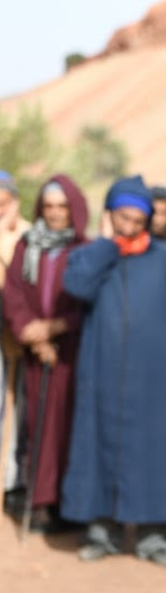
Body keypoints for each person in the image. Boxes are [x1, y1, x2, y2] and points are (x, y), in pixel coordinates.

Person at [60, 175, 166, 568]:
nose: (131, 227)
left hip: (158, 379)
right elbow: (78, 287)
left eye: (139, 220)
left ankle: (155, 538)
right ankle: (104, 534)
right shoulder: (92, 255)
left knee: (156, 454)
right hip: (101, 376)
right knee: (100, 449)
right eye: (123, 218)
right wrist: (106, 245)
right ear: (109, 215)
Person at [3, 175, 88, 533]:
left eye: (62, 207)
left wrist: (55, 328)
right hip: (36, 353)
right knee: (38, 425)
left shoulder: (84, 249)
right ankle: (40, 502)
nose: (55, 214)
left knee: (71, 425)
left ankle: (70, 506)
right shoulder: (27, 245)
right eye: (49, 207)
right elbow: (13, 292)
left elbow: (87, 300)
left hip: (72, 353)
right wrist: (32, 334)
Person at [0, 170, 31, 508]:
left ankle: (15, 483)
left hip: (19, 335)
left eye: (3, 204)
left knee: (20, 409)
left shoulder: (28, 235)